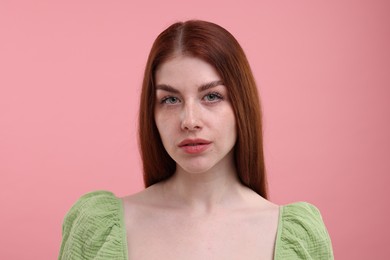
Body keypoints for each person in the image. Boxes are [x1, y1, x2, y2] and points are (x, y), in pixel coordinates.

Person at [59, 20, 333, 260]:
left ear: (241, 105)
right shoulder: (96, 228)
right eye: (170, 99)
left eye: (211, 96)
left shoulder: (298, 237)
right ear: (151, 114)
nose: (189, 120)